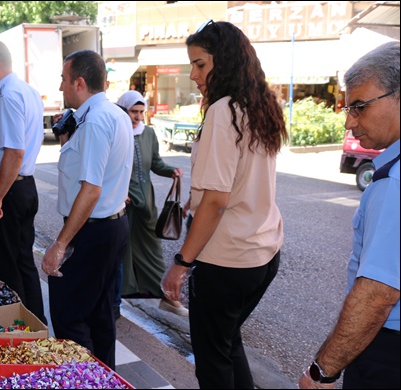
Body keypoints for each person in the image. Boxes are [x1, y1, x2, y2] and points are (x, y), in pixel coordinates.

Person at [160, 20, 287, 388]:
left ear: (225, 61)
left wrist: (181, 264)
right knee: (228, 344)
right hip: (263, 253)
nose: (193, 75)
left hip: (226, 258)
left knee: (214, 360)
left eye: (200, 64)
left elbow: (216, 202)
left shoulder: (222, 112)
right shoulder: (259, 106)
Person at [298, 41, 399, 390]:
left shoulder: (393, 183)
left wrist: (321, 371)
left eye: (359, 106)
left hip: (387, 354)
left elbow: (376, 295)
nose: (348, 122)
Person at [41, 49, 133, 369]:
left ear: (79, 83)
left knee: (69, 317)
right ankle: (104, 376)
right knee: (100, 315)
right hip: (110, 226)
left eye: (64, 80)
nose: (60, 88)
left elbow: (91, 190)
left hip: (93, 230)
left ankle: (85, 377)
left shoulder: (95, 121)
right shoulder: (116, 114)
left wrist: (60, 243)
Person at [0, 39, 47, 323]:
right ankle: (34, 323)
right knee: (22, 261)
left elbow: (15, 153)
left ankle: (17, 331)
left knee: (5, 266)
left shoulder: (9, 96)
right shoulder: (25, 91)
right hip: (20, 187)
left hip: (8, 191)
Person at [113, 90, 188, 319]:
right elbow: (110, 166)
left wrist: (171, 171)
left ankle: (166, 294)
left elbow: (155, 163)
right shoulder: (116, 131)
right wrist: (119, 191)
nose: (137, 117)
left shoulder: (149, 134)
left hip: (146, 202)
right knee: (122, 249)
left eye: (141, 112)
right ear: (123, 110)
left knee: (152, 249)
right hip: (124, 202)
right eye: (133, 112)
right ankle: (122, 295)